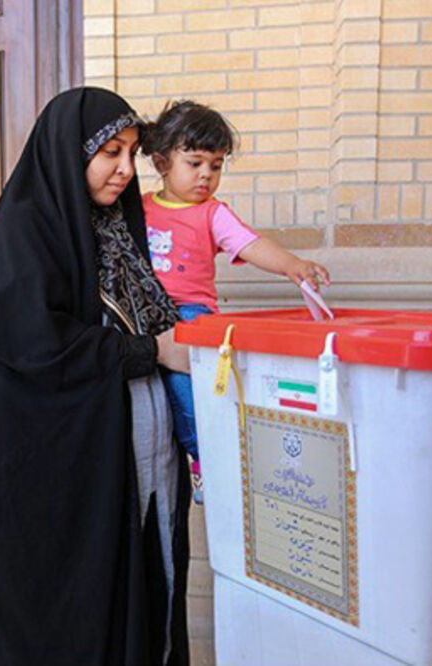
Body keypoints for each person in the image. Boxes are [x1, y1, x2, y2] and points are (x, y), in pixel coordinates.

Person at [0, 87, 192, 666]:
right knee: (88, 607)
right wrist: (146, 352)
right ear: (68, 153)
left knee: (148, 581)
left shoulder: (113, 228)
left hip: (142, 452)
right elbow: (1, 342)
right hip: (80, 466)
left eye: (132, 153)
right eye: (110, 153)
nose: (126, 170)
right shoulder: (28, 232)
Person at [141, 100, 331, 503]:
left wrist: (292, 265)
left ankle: (205, 460)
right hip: (144, 316)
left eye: (216, 165)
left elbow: (251, 244)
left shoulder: (213, 214)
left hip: (192, 318)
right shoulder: (139, 208)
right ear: (161, 163)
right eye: (195, 163)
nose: (206, 175)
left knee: (185, 388)